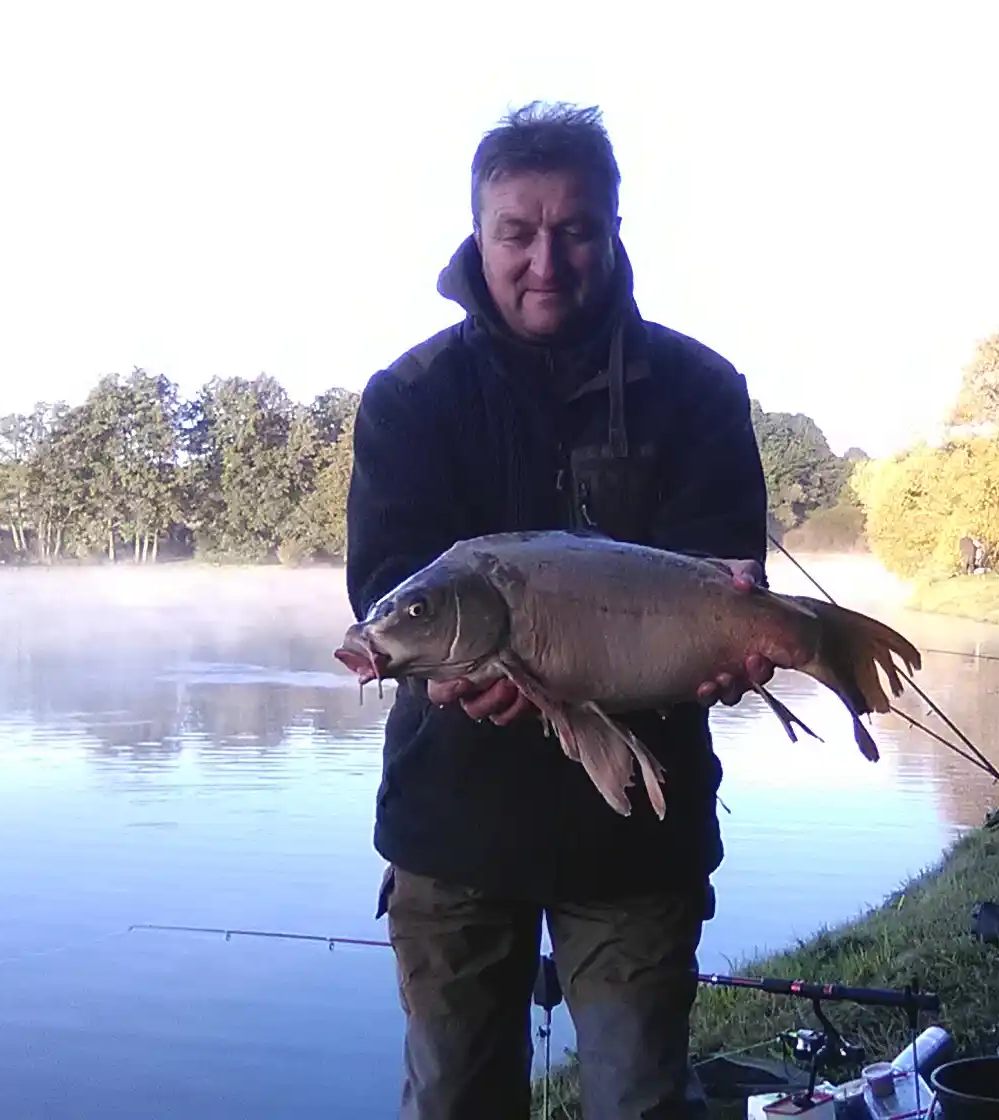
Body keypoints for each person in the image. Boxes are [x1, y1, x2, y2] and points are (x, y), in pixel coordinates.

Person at [344, 102, 773, 1120]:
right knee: (454, 1101)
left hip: (638, 829)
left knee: (637, 1101)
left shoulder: (699, 389)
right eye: (518, 233)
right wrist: (457, 673)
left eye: (575, 230)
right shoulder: (409, 396)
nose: (546, 261)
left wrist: (733, 651)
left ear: (614, 230)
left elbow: (721, 574)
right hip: (453, 826)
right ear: (478, 235)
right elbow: (389, 586)